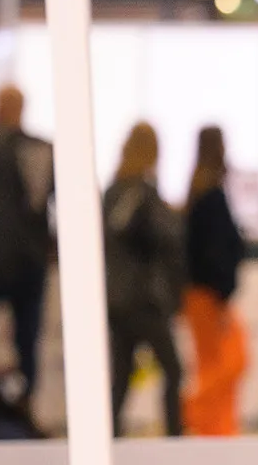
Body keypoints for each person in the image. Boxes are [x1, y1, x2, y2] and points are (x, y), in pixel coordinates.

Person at [0, 84, 53, 411]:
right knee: (26, 346)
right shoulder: (39, 148)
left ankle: (6, 410)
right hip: (25, 263)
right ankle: (21, 408)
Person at [104, 121, 185, 436]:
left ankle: (109, 438)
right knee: (173, 369)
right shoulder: (143, 193)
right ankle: (174, 434)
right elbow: (163, 239)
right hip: (143, 300)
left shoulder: (113, 191)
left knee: (121, 375)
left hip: (116, 297)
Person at [180, 125, 248, 436]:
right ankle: (205, 419)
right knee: (227, 361)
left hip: (202, 293)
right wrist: (223, 293)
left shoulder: (198, 191)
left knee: (216, 363)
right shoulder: (211, 196)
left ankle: (216, 425)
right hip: (210, 295)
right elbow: (216, 251)